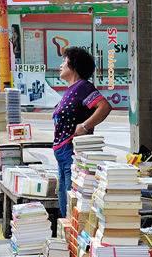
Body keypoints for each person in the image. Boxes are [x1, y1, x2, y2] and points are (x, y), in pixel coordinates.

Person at [52, 46, 112, 217]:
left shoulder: (83, 87)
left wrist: (85, 126)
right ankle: (67, 236)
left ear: (74, 65)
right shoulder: (71, 89)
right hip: (62, 152)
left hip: (72, 150)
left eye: (65, 61)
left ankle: (72, 237)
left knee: (72, 200)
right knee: (65, 198)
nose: (61, 65)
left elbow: (104, 106)